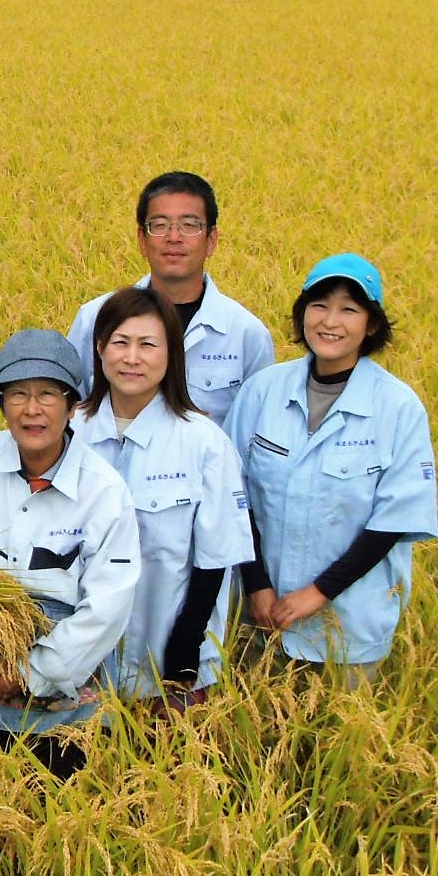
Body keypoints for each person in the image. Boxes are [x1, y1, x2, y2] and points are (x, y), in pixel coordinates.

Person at [0, 329, 141, 777]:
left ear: (72, 405)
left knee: (61, 828)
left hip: (64, 708)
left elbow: (108, 606)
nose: (31, 409)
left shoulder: (103, 490)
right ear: (1, 402)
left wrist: (28, 674)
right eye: (17, 394)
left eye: (47, 394)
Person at [226, 254, 438, 684]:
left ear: (372, 325)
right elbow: (234, 494)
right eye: (319, 305)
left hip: (349, 622)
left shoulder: (397, 407)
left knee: (336, 743)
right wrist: (258, 586)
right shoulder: (263, 391)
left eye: (349, 309)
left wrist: (318, 594)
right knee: (255, 738)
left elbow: (394, 520)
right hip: (262, 615)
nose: (330, 321)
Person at [79, 287, 255, 710]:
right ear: (100, 348)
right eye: (120, 342)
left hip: (169, 665)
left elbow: (215, 558)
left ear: (171, 354)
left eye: (148, 344)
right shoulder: (71, 434)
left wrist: (185, 650)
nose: (132, 358)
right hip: (80, 666)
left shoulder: (204, 442)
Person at [66, 171, 274, 425]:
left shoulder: (245, 332)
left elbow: (255, 428)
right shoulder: (95, 317)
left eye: (189, 225)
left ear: (211, 240)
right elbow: (69, 410)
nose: (173, 238)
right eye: (159, 225)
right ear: (142, 240)